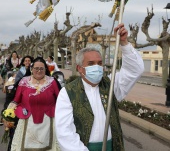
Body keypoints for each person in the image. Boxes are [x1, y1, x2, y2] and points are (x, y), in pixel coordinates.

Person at [55, 23, 144, 151]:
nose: (96, 67)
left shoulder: (111, 85)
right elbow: (64, 131)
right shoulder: (68, 93)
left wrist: (124, 43)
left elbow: (135, 71)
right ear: (79, 68)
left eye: (99, 63)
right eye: (91, 63)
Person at [4, 57, 61, 151]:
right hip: (26, 120)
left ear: (45, 69)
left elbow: (61, 100)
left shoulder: (52, 82)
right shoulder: (23, 82)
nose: (39, 71)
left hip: (49, 121)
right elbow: (16, 100)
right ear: (32, 69)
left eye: (41, 68)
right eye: (36, 68)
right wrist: (7, 115)